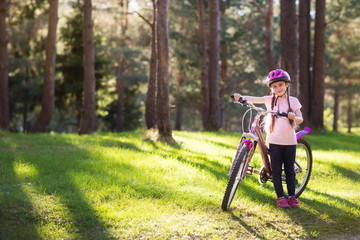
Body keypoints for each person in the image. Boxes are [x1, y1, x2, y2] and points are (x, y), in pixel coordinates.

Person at [233, 69, 303, 208]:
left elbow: (300, 119)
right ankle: (280, 197)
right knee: (276, 170)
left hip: (289, 141)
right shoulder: (269, 100)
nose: (278, 88)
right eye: (274, 86)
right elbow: (253, 99)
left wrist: (292, 116)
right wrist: (240, 96)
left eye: (281, 85)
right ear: (271, 88)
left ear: (287, 85)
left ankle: (292, 197)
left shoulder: (293, 101)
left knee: (289, 170)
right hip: (274, 141)